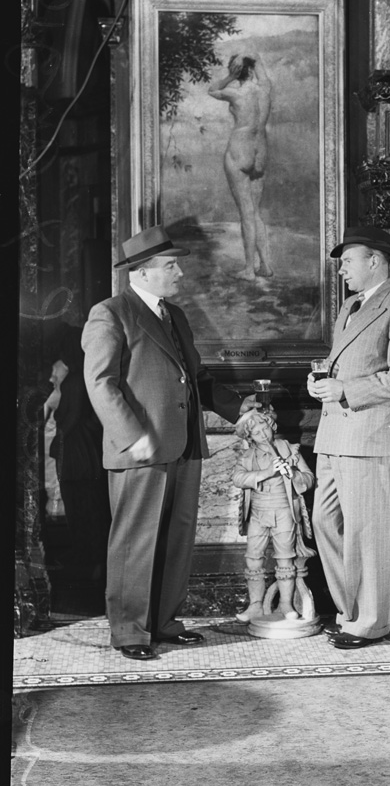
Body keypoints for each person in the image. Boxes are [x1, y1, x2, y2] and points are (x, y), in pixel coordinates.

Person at [82, 225, 255, 661]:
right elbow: (101, 384)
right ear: (141, 273)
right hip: (141, 448)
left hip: (184, 446)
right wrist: (130, 437)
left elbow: (197, 378)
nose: (179, 272)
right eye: (170, 265)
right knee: (135, 542)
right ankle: (129, 632)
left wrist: (240, 409)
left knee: (176, 538)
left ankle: (164, 622)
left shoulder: (174, 315)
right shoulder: (110, 313)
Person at [307, 225, 390, 649]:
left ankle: (371, 622)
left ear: (375, 261)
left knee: (366, 530)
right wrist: (321, 379)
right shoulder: (351, 307)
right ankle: (350, 611)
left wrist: (346, 390)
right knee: (324, 521)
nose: (342, 271)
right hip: (334, 433)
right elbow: (344, 361)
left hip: (366, 434)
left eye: (348, 262)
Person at [43, 323, 112, 604]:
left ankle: (91, 563)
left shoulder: (73, 382)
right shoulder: (85, 376)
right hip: (86, 455)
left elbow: (67, 420)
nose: (51, 372)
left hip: (77, 456)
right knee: (88, 508)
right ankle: (92, 562)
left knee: (81, 507)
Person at [232, 406, 316, 624]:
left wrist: (294, 475)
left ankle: (285, 604)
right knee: (253, 559)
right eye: (257, 433)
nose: (263, 434)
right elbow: (238, 478)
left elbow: (309, 479)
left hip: (283, 511)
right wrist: (266, 473)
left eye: (265, 428)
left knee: (285, 559)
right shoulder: (247, 455)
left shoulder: (288, 449)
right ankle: (255, 606)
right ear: (249, 437)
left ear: (272, 426)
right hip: (258, 513)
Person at [208, 51, 273, 279]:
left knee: (246, 212)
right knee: (255, 212)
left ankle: (248, 269)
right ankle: (265, 265)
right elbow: (259, 65)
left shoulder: (235, 93)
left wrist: (229, 76)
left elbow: (212, 90)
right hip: (260, 151)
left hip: (240, 147)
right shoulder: (264, 89)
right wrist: (252, 59)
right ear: (252, 68)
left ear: (236, 71)